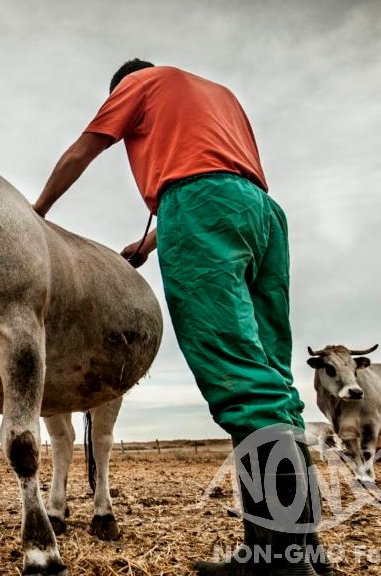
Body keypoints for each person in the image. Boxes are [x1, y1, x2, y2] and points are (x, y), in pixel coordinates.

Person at [33, 59, 328, 576]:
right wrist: (152, 241)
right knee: (274, 377)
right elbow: (224, 175)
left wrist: (33, 214)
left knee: (236, 374)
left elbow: (84, 150)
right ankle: (303, 548)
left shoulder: (139, 84)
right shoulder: (220, 95)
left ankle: (280, 558)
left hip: (198, 207)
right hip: (262, 214)